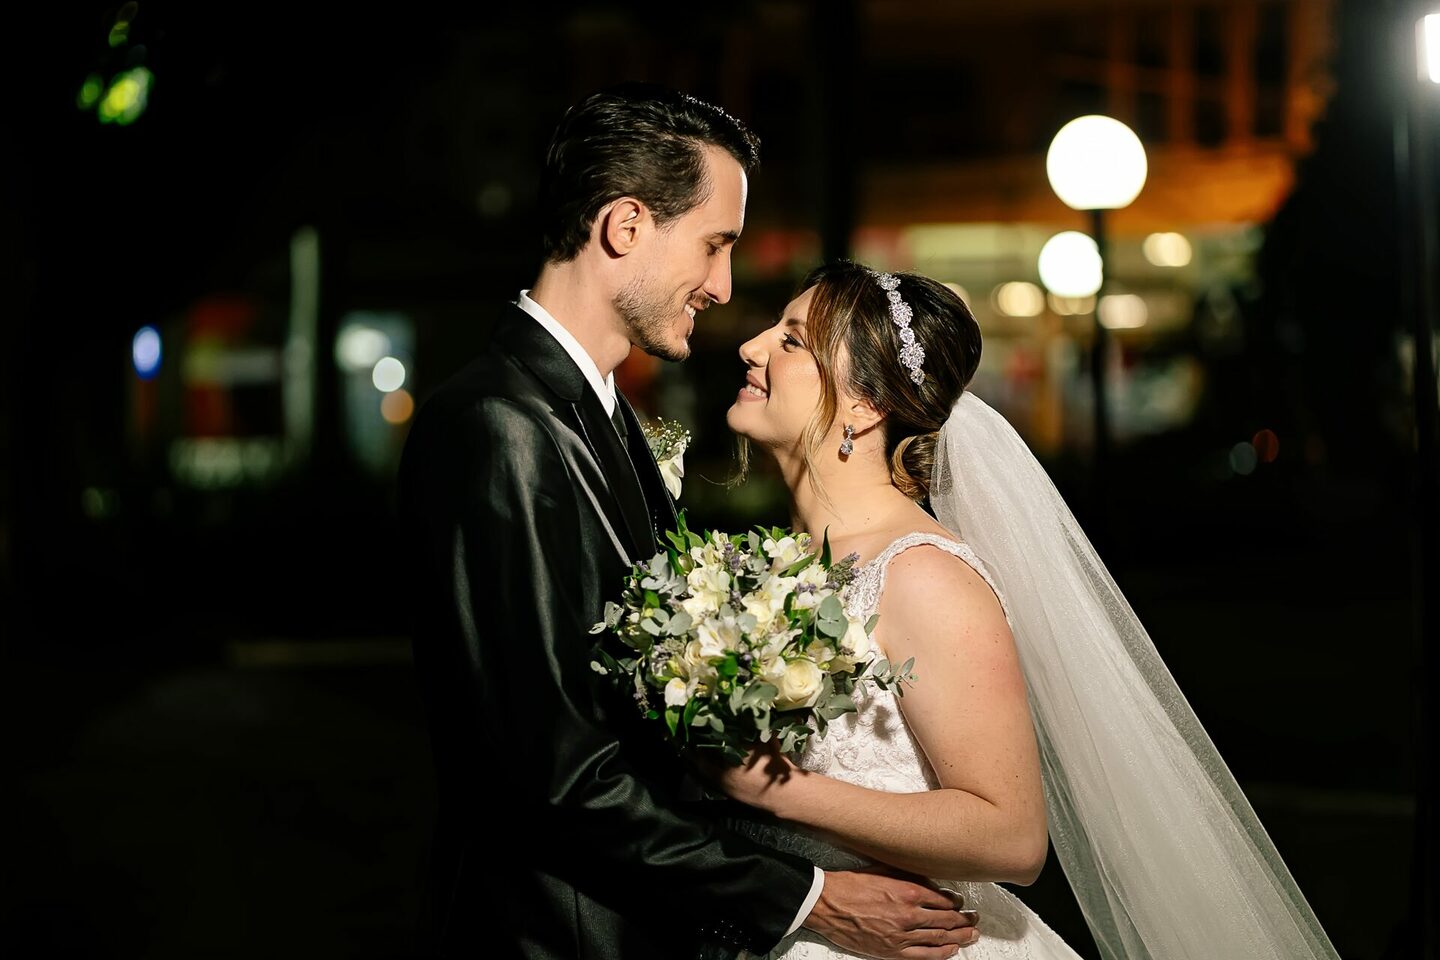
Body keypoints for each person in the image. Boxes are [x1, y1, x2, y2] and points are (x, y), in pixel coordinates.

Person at [397, 87, 981, 960]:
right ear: (626, 226)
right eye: (716, 245)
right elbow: (554, 775)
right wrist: (804, 897)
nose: (724, 287)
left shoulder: (603, 424)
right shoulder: (497, 426)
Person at [714, 261, 1345, 960]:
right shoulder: (783, 565)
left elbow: (1011, 836)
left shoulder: (920, 573)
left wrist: (777, 790)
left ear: (864, 405)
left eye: (793, 340)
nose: (753, 345)